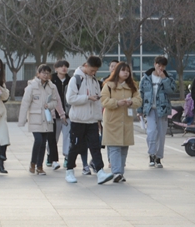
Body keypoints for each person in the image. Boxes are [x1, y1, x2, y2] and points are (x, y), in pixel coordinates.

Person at [64, 56, 114, 185]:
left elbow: (98, 102)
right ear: (86, 65)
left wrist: (98, 119)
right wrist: (87, 98)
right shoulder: (76, 79)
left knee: (95, 147)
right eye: (92, 70)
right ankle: (69, 171)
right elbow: (70, 99)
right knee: (75, 146)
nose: (94, 73)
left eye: (96, 71)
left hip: (92, 121)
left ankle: (100, 172)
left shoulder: (94, 81)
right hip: (78, 120)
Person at [18, 64, 65, 176]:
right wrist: (22, 120)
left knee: (43, 143)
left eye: (48, 73)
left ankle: (39, 166)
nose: (45, 75)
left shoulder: (52, 87)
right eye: (43, 73)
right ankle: (33, 163)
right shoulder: (31, 87)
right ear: (38, 74)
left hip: (47, 118)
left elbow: (55, 101)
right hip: (35, 118)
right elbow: (25, 103)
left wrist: (49, 105)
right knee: (38, 140)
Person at [101, 62, 142, 183]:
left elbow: (139, 100)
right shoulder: (108, 85)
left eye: (128, 71)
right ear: (117, 71)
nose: (126, 73)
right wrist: (117, 103)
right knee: (114, 147)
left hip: (126, 122)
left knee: (124, 148)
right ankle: (116, 172)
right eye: (123, 70)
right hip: (112, 121)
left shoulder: (132, 86)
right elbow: (103, 100)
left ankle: (120, 173)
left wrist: (131, 102)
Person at [138, 56, 176, 169]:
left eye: (163, 66)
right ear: (155, 64)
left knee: (161, 134)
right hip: (150, 109)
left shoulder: (169, 77)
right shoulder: (146, 78)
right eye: (159, 65)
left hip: (162, 110)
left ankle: (158, 157)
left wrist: (164, 78)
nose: (161, 68)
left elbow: (171, 91)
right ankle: (151, 154)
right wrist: (139, 110)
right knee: (151, 132)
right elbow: (141, 94)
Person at [49, 60, 72, 170]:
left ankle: (67, 157)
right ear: (56, 68)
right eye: (61, 66)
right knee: (53, 137)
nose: (64, 68)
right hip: (54, 114)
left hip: (67, 114)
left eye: (66, 66)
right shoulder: (51, 80)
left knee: (67, 136)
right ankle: (50, 156)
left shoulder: (71, 80)